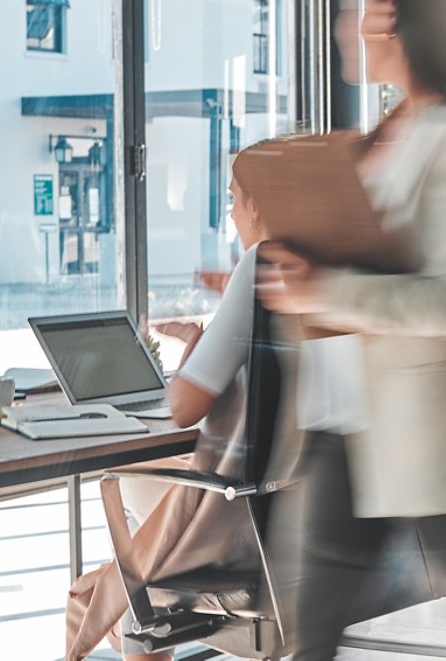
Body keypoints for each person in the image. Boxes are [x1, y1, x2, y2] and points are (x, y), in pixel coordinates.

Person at [258, 0, 446, 660]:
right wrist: (297, 278)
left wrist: (325, 287)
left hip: (435, 435)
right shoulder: (373, 137)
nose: (345, 23)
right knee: (308, 635)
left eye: (355, 5)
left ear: (391, 13)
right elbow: (361, 270)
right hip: (339, 421)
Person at [65, 169, 272, 661]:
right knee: (137, 557)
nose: (232, 214)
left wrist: (191, 367)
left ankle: (124, 601)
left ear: (259, 208)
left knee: (112, 562)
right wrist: (199, 351)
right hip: (288, 516)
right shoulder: (325, 272)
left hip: (242, 526)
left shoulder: (261, 263)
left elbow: (183, 408)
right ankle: (132, 595)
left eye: (234, 200)